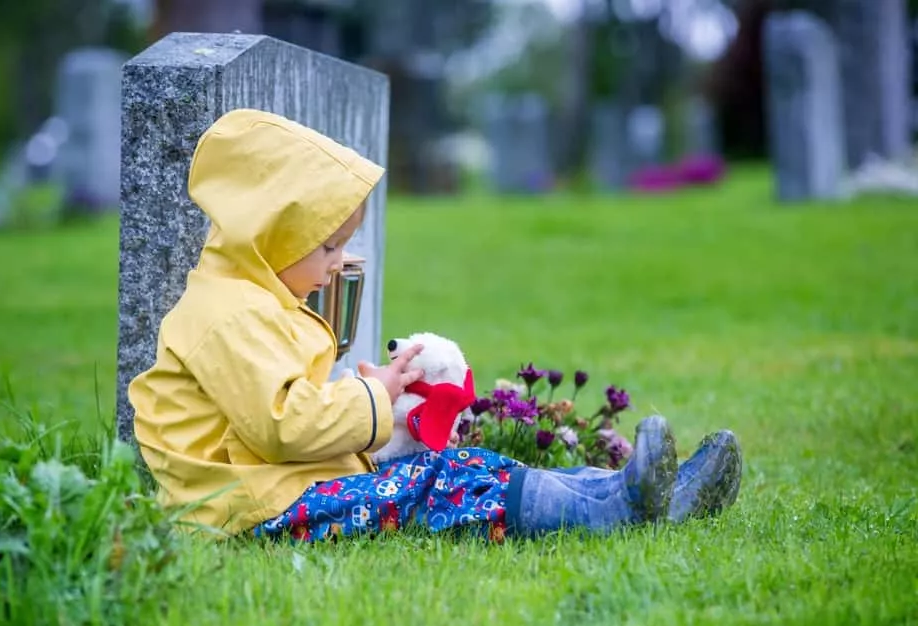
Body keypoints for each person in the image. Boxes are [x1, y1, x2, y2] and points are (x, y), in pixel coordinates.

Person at [128, 109, 742, 543]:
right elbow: (283, 423)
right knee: (438, 482)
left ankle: (634, 493)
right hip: (245, 511)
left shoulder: (250, 300)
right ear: (269, 236)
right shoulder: (225, 314)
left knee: (469, 467)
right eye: (328, 247)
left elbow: (278, 414)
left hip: (278, 491)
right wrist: (376, 397)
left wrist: (364, 396)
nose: (340, 262)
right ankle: (620, 509)